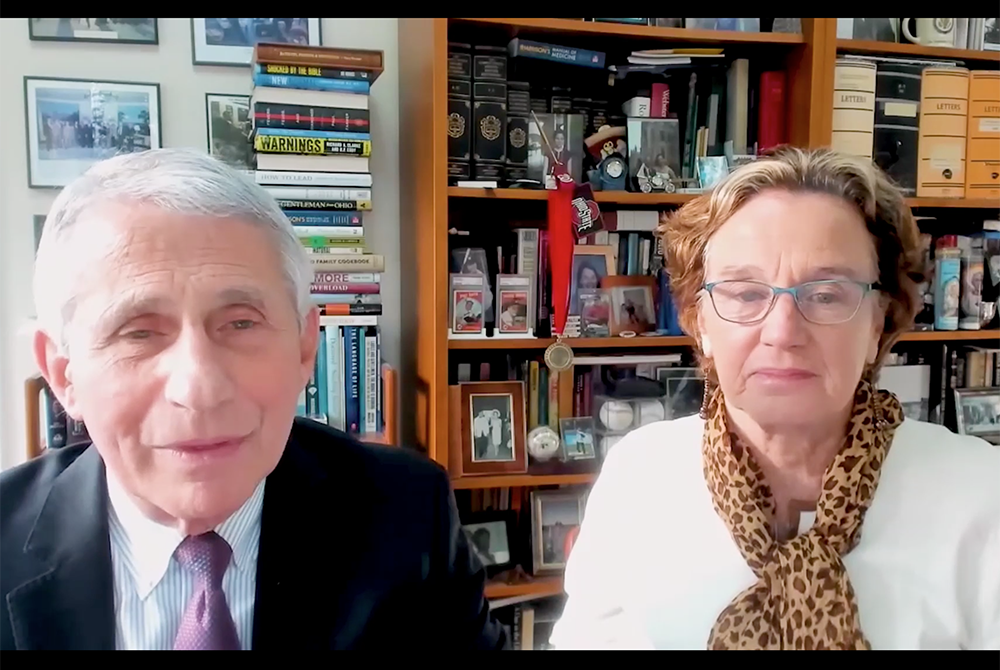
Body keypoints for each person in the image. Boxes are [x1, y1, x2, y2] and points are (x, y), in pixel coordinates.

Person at [0, 149, 506, 651]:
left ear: (306, 347)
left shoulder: (408, 515)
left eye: (241, 322)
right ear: (63, 374)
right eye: (138, 333)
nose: (198, 388)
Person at [550, 147, 1000, 650]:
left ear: (879, 322)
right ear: (698, 323)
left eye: (826, 294)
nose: (782, 332)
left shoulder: (982, 494)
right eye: (745, 293)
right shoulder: (639, 477)